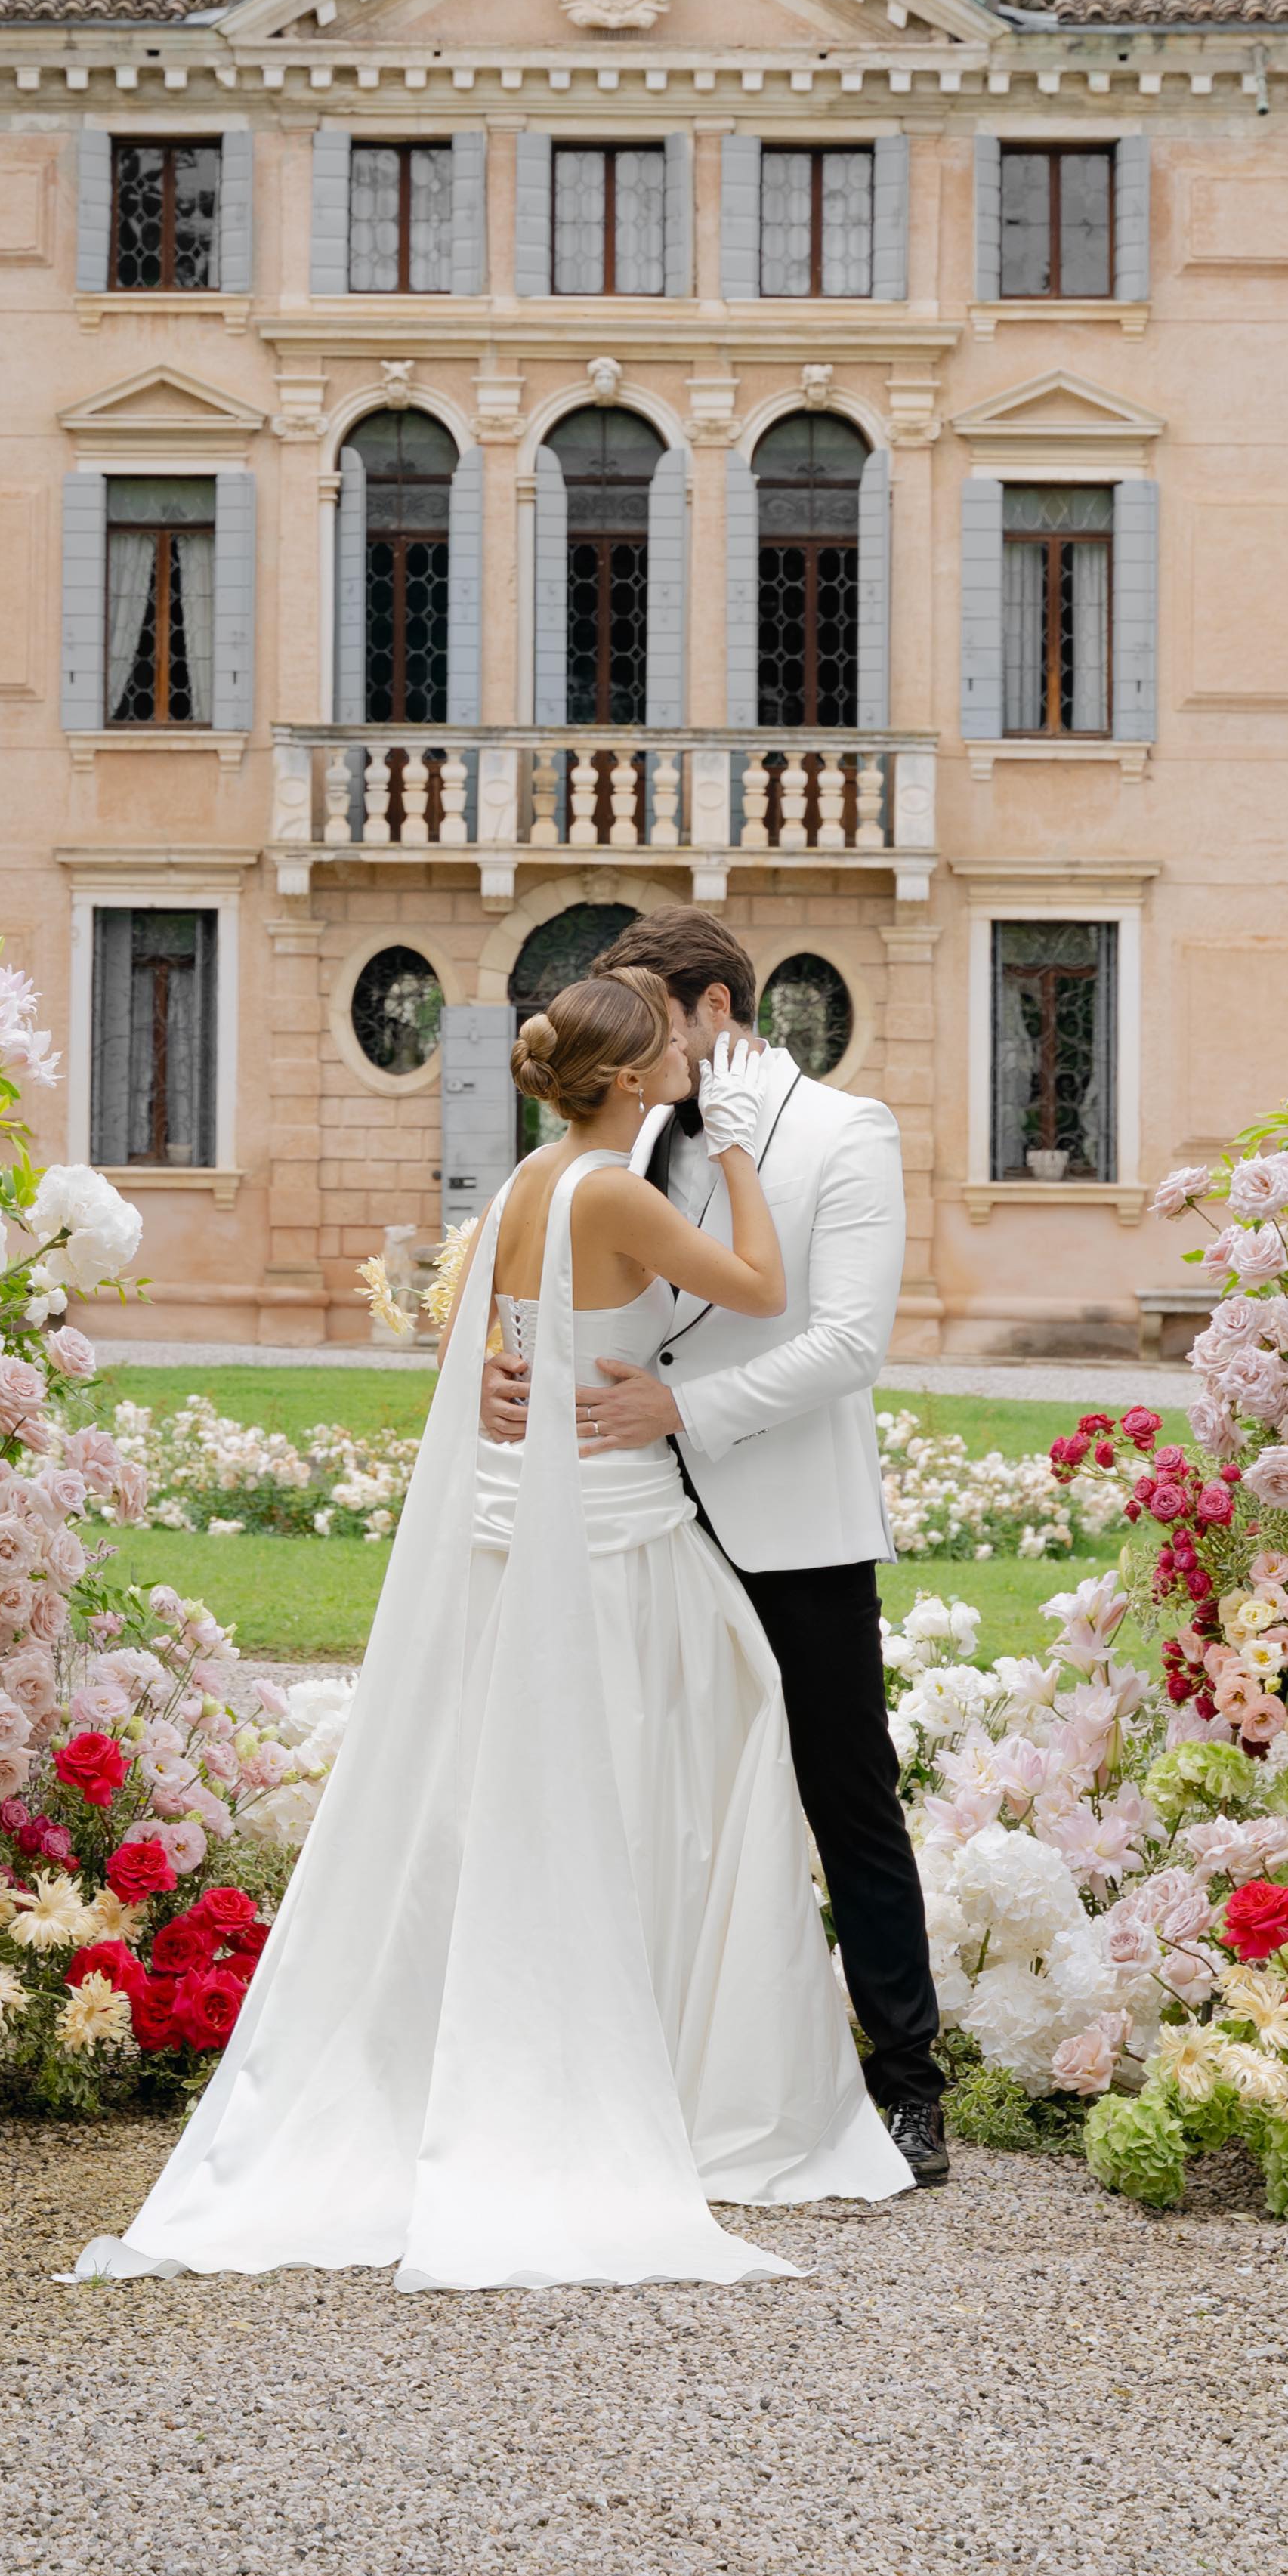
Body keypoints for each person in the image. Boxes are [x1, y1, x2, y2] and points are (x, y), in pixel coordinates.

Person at [70, 965, 907, 2293]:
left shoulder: (527, 1177)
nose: (692, 1062)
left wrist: (506, 1375)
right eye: (669, 1049)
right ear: (626, 1079)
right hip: (611, 1518)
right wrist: (743, 1155)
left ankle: (596, 2030)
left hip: (533, 1503)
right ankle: (640, 2053)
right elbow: (759, 1286)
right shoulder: (613, 1187)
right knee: (664, 1762)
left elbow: (471, 1332)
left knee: (564, 1765)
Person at [484, 906, 948, 2183]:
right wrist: (500, 1371)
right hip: (635, 1520)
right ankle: (666, 2069)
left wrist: (681, 1406)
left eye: (651, 1011)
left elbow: (847, 1341)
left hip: (788, 1520)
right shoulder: (628, 1127)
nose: (634, 1038)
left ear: (712, 1009)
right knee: (659, 1800)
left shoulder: (848, 1130)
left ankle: (907, 2083)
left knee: (844, 1795)